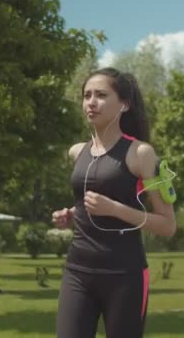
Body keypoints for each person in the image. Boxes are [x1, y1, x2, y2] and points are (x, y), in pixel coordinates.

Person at [51, 67, 177, 338]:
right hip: (78, 272)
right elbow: (88, 206)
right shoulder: (77, 151)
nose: (91, 102)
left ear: (124, 104)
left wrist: (114, 210)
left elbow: (167, 225)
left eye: (101, 95)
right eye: (87, 95)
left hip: (125, 276)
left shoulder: (141, 154)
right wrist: (71, 214)